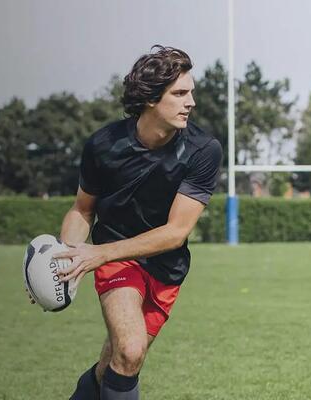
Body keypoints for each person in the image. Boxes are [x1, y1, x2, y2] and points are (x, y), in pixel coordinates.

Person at [55, 45, 222, 400]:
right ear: (149, 98)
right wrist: (68, 256)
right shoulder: (103, 145)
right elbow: (82, 210)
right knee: (130, 350)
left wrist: (97, 254)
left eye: (191, 92)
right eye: (179, 93)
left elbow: (176, 232)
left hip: (165, 267)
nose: (190, 102)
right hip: (117, 258)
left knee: (116, 365)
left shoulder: (203, 150)